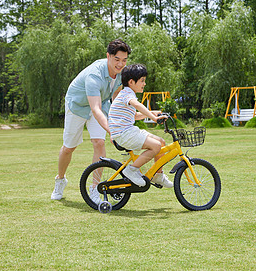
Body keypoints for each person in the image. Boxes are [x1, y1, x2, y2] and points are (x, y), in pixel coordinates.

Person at [51, 39, 131, 200]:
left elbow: (116, 98)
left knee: (99, 142)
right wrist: (113, 131)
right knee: (68, 148)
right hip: (78, 106)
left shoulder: (122, 73)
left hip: (100, 104)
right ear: (108, 56)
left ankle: (95, 187)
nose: (120, 64)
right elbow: (94, 109)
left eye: (124, 60)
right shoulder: (95, 74)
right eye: (117, 59)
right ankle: (60, 180)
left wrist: (122, 120)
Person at [108, 64, 173, 188]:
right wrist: (153, 118)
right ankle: (131, 170)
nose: (144, 84)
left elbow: (135, 115)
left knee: (161, 142)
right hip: (124, 134)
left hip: (128, 131)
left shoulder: (127, 94)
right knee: (156, 146)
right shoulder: (127, 94)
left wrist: (153, 112)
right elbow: (137, 105)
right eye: (142, 81)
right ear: (131, 82)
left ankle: (158, 175)